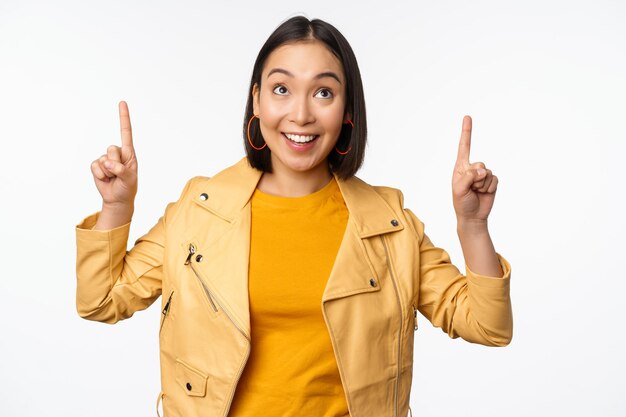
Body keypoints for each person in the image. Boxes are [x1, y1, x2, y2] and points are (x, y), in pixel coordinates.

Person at [75, 15, 512, 417]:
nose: (300, 114)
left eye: (324, 92)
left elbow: (487, 326)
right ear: (257, 101)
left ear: (346, 111)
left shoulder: (389, 224)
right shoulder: (199, 210)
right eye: (281, 89)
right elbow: (101, 300)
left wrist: (472, 226)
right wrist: (117, 206)